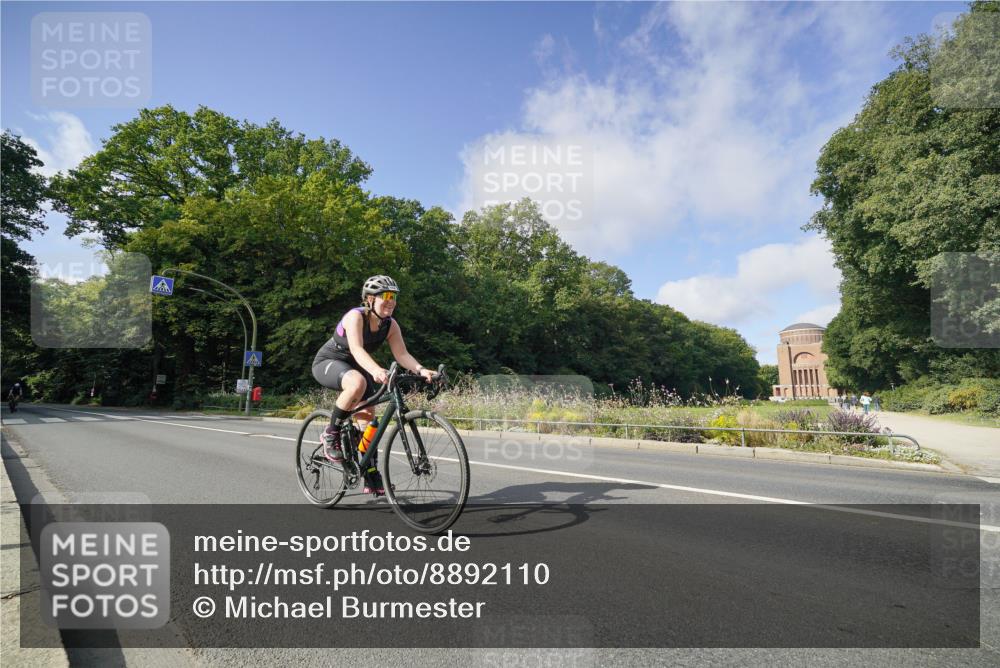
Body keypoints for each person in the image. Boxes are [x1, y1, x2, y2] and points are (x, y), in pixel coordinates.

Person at [311, 275, 436, 495]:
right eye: (386, 296)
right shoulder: (355, 317)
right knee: (357, 382)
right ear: (370, 299)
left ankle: (369, 472)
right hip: (330, 362)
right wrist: (377, 370)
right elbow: (357, 350)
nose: (391, 301)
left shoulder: (390, 325)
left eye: (394, 297)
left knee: (368, 421)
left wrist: (422, 370)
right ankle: (331, 433)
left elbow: (402, 354)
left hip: (359, 366)